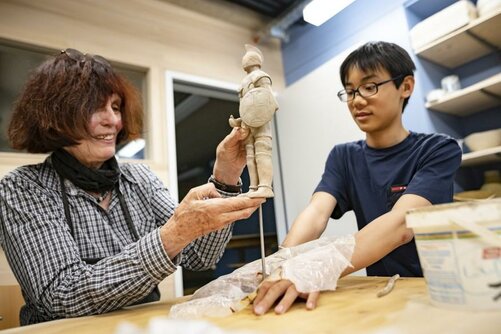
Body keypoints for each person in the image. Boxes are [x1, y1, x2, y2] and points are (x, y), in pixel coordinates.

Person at [0, 48, 264, 325]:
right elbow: (61, 296)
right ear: (55, 117)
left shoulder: (139, 179)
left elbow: (199, 257)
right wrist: (172, 234)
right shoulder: (22, 189)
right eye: (94, 107)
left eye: (115, 107)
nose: (113, 120)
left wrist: (225, 175)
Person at [251, 41, 462, 315]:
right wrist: (282, 262)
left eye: (370, 86)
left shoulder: (437, 149)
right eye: (350, 91)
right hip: (378, 291)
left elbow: (402, 224)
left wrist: (317, 267)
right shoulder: (344, 156)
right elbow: (316, 213)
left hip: (436, 291)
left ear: (406, 87)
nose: (357, 100)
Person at [229, 44, 278, 198]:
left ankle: (265, 186)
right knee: (250, 155)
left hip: (261, 123)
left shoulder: (260, 76)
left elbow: (270, 100)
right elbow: (245, 106)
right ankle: (254, 187)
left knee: (262, 153)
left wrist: (263, 112)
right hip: (248, 124)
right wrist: (239, 121)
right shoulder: (243, 83)